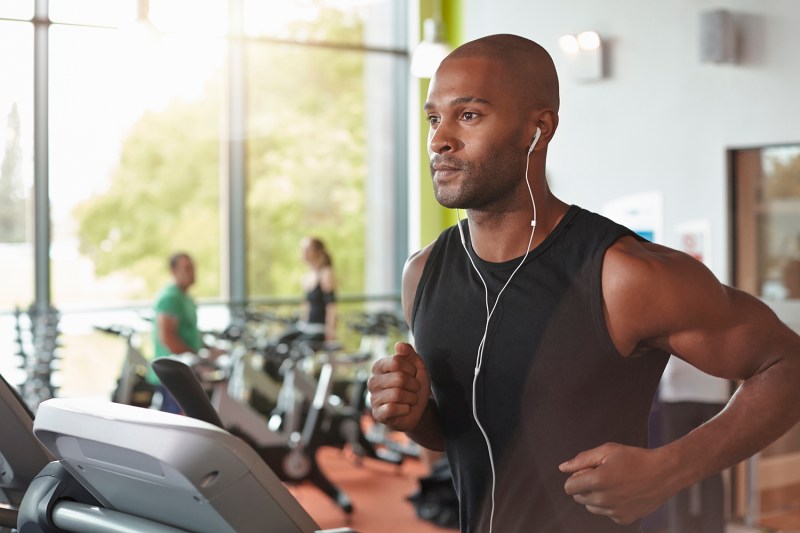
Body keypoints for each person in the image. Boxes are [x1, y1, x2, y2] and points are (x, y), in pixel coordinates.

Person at [367, 33, 800, 533]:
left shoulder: (623, 275)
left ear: (538, 128)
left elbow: (787, 364)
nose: (440, 139)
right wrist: (415, 415)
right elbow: (465, 433)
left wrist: (670, 468)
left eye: (468, 116)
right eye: (433, 118)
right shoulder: (422, 274)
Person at [658, 357, 730, 533]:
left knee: (675, 468)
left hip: (677, 386)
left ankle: (678, 528)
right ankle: (714, 529)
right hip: (715, 386)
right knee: (713, 468)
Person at [150, 252, 222, 413]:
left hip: (187, 372)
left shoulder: (186, 298)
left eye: (193, 268)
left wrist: (209, 350)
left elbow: (190, 332)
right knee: (177, 428)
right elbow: (167, 337)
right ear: (174, 271)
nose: (192, 272)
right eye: (187, 268)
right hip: (173, 375)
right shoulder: (170, 298)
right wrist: (199, 357)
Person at [279, 236, 338, 345]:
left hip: (319, 329)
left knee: (298, 347)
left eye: (307, 250)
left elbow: (331, 307)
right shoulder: (306, 277)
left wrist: (330, 333)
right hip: (305, 326)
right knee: (279, 342)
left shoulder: (326, 275)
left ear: (318, 252)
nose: (303, 253)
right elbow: (306, 305)